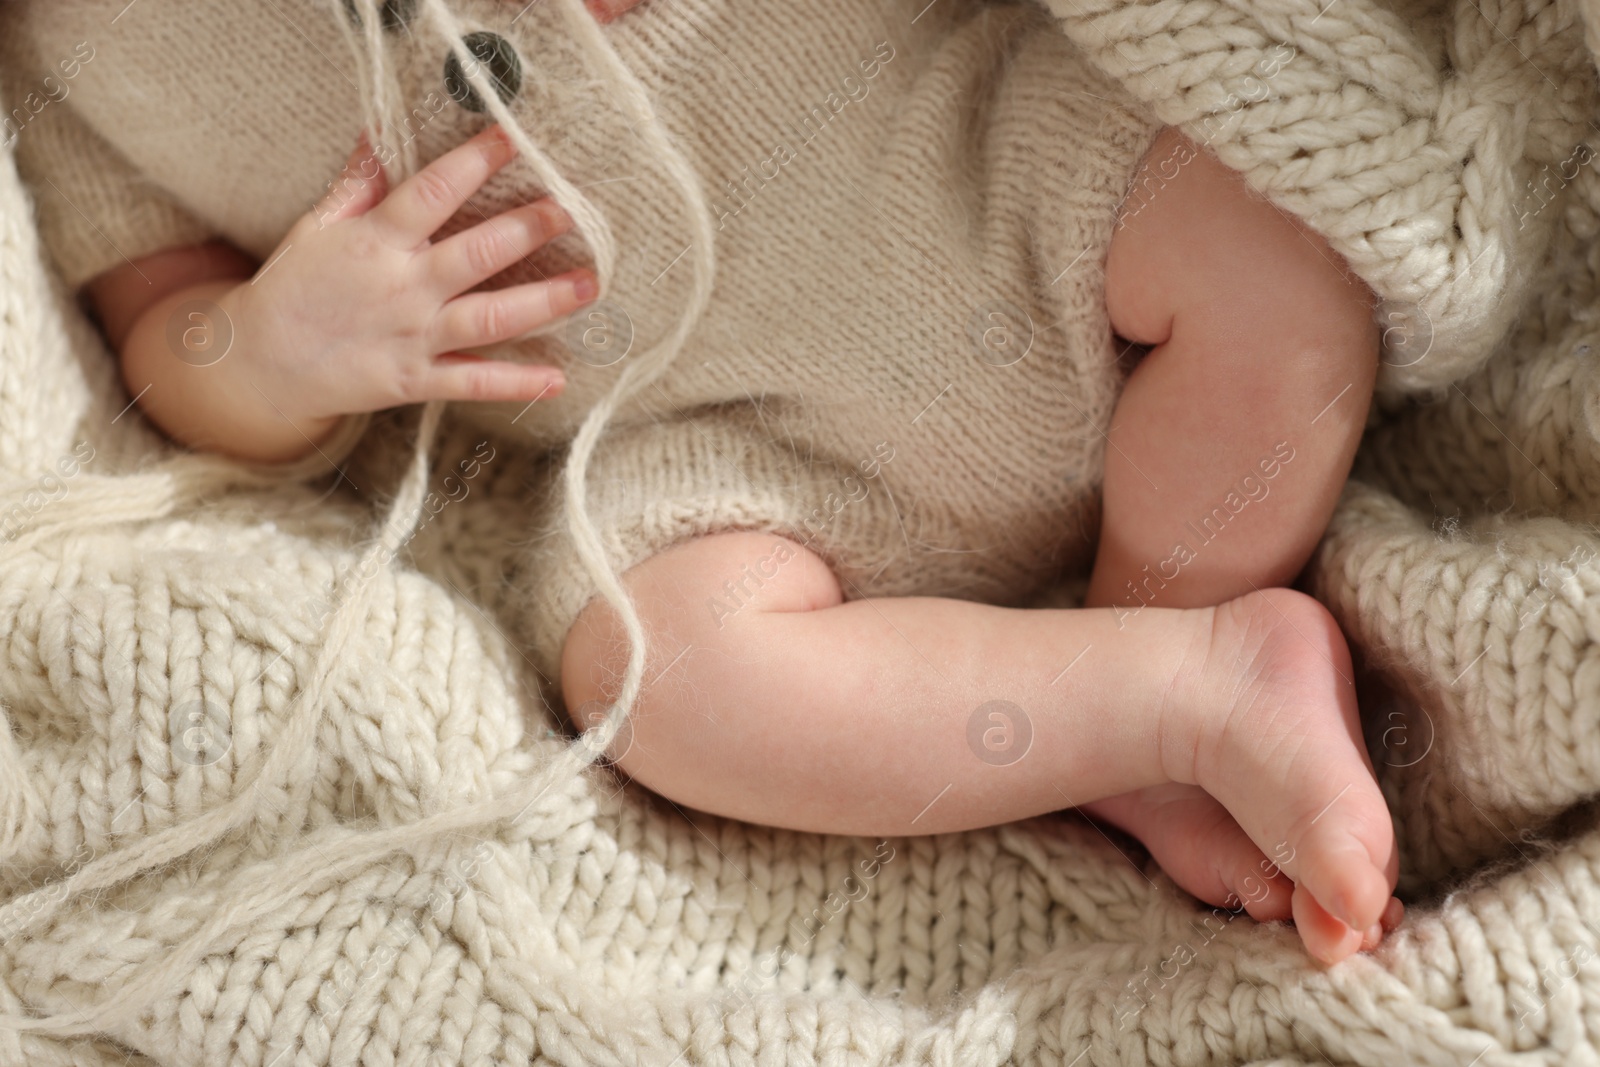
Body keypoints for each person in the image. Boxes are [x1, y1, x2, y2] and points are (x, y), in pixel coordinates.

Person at [4, 0, 1402, 964]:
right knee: (655, 673)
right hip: (744, 445)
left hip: (998, 176)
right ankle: (1169, 691)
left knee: (1281, 257)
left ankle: (1157, 620)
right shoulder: (71, 60)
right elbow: (158, 346)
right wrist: (269, 347)